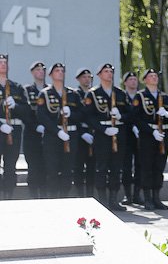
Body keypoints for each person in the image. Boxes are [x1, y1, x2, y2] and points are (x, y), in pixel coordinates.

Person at [83, 63, 129, 211]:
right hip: (102, 135)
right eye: (106, 71)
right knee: (101, 167)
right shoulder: (93, 94)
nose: (109, 74)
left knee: (116, 167)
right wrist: (103, 129)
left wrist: (121, 116)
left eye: (111, 71)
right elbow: (88, 117)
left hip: (118, 133)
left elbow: (130, 114)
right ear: (99, 75)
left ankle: (113, 200)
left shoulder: (120, 93)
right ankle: (102, 200)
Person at [36, 63, 83, 198]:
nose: (60, 73)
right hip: (52, 136)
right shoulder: (45, 94)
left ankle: (64, 197)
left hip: (70, 135)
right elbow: (42, 116)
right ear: (50, 75)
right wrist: (57, 132)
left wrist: (71, 114)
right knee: (52, 169)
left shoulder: (73, 94)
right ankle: (53, 198)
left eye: (62, 71)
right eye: (57, 70)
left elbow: (83, 114)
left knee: (67, 169)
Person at [136, 69, 168, 210]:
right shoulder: (140, 96)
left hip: (163, 134)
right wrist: (151, 131)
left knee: (159, 166)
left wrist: (167, 114)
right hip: (148, 135)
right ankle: (147, 199)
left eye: (155, 76)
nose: (154, 78)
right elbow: (136, 118)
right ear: (145, 80)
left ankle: (156, 198)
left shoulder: (164, 97)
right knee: (147, 166)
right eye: (151, 76)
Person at [0, 54, 29, 199]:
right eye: (0, 62)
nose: (3, 65)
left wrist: (15, 106)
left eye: (5, 62)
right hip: (1, 128)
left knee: (11, 164)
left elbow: (27, 111)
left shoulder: (16, 87)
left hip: (14, 130)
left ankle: (8, 195)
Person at [23, 61, 47, 198]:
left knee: (45, 166)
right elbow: (26, 112)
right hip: (31, 134)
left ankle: (43, 196)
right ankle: (33, 197)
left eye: (42, 69)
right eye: (37, 70)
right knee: (33, 166)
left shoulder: (49, 90)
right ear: (32, 72)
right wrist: (35, 126)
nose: (41, 72)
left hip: (48, 134)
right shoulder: (27, 90)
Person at [120, 71, 143, 206]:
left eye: (135, 79)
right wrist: (131, 125)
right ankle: (127, 195)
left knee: (140, 165)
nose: (133, 82)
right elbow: (123, 115)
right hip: (126, 134)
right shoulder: (122, 96)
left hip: (140, 135)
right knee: (126, 166)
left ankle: (137, 195)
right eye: (130, 79)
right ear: (125, 82)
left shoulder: (141, 96)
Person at [72, 67, 96, 198]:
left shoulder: (95, 94)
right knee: (79, 165)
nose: (87, 80)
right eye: (84, 77)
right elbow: (74, 116)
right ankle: (80, 194)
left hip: (94, 132)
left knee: (92, 165)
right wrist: (82, 132)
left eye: (89, 77)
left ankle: (90, 193)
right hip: (80, 133)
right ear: (78, 79)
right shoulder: (75, 94)